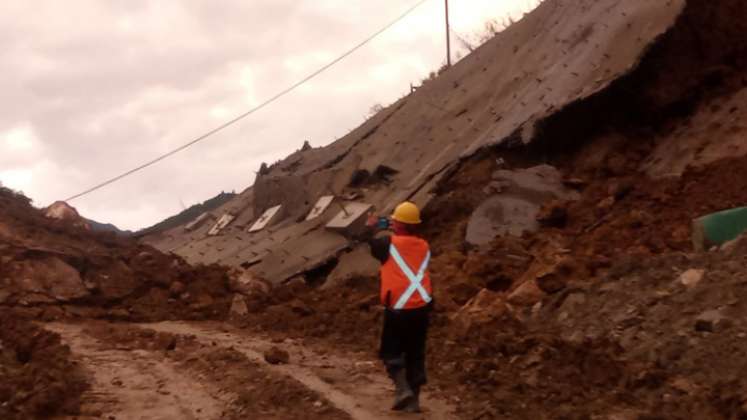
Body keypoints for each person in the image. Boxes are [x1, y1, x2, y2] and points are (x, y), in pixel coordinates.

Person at [365, 201, 433, 413]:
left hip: (398, 309)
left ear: (399, 224)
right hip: (422, 307)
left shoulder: (387, 245)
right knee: (415, 353)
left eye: (394, 220)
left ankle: (403, 389)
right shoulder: (424, 246)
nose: (391, 222)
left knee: (391, 352)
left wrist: (372, 226)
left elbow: (368, 242)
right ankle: (414, 401)